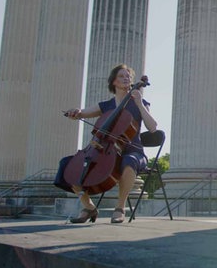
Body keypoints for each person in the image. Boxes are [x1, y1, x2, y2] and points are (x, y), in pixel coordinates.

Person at [61, 64, 158, 224]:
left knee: (129, 162)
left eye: (128, 76)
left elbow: (153, 127)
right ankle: (89, 207)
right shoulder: (106, 105)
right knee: (68, 165)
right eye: (121, 76)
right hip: (105, 151)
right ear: (114, 81)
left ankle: (120, 207)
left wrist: (140, 103)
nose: (126, 78)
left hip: (133, 152)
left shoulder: (140, 103)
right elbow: (82, 113)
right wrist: (75, 112)